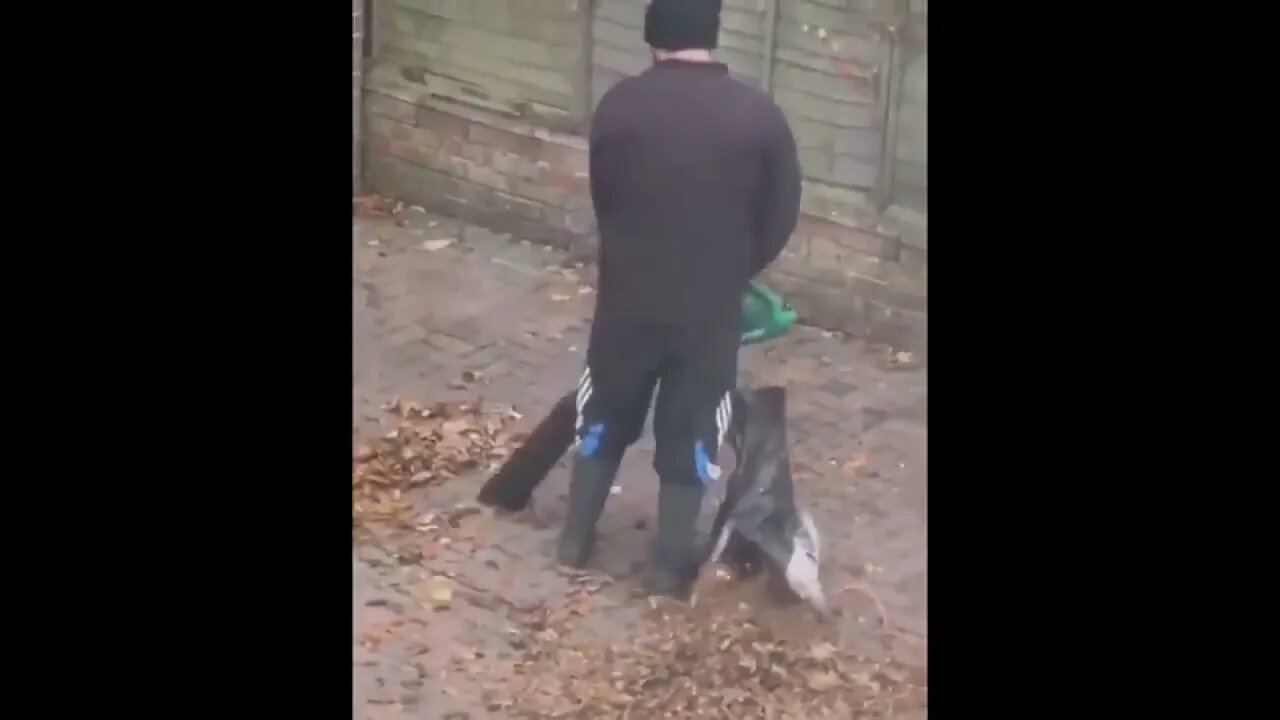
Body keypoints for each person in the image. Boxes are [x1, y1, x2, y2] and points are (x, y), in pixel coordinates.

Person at [559, 0, 802, 599]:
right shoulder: (760, 118)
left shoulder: (618, 107)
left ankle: (574, 542)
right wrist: (731, 269)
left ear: (652, 35)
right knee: (694, 428)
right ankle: (668, 568)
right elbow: (780, 215)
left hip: (626, 300)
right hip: (707, 310)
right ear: (711, 35)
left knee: (604, 413)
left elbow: (605, 197)